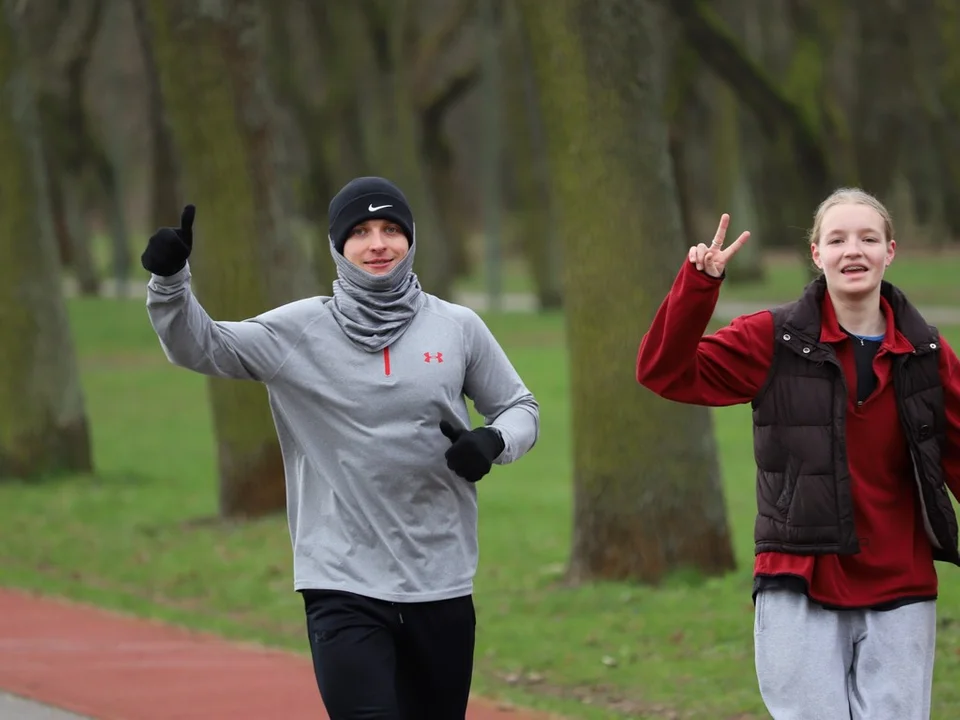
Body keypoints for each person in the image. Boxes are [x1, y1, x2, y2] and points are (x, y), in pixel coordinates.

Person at [140, 176, 540, 719]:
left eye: (391, 229)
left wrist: (493, 442)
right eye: (361, 232)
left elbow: (520, 408)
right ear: (337, 246)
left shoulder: (457, 327)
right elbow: (201, 345)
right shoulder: (297, 330)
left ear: (411, 239)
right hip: (340, 580)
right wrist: (170, 282)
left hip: (439, 578)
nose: (378, 243)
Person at [635, 187, 960, 719]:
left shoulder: (926, 352)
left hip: (901, 581)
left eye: (867, 239)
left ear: (890, 251)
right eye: (837, 239)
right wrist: (700, 287)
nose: (853, 251)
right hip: (799, 575)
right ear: (817, 254)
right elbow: (663, 371)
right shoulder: (772, 338)